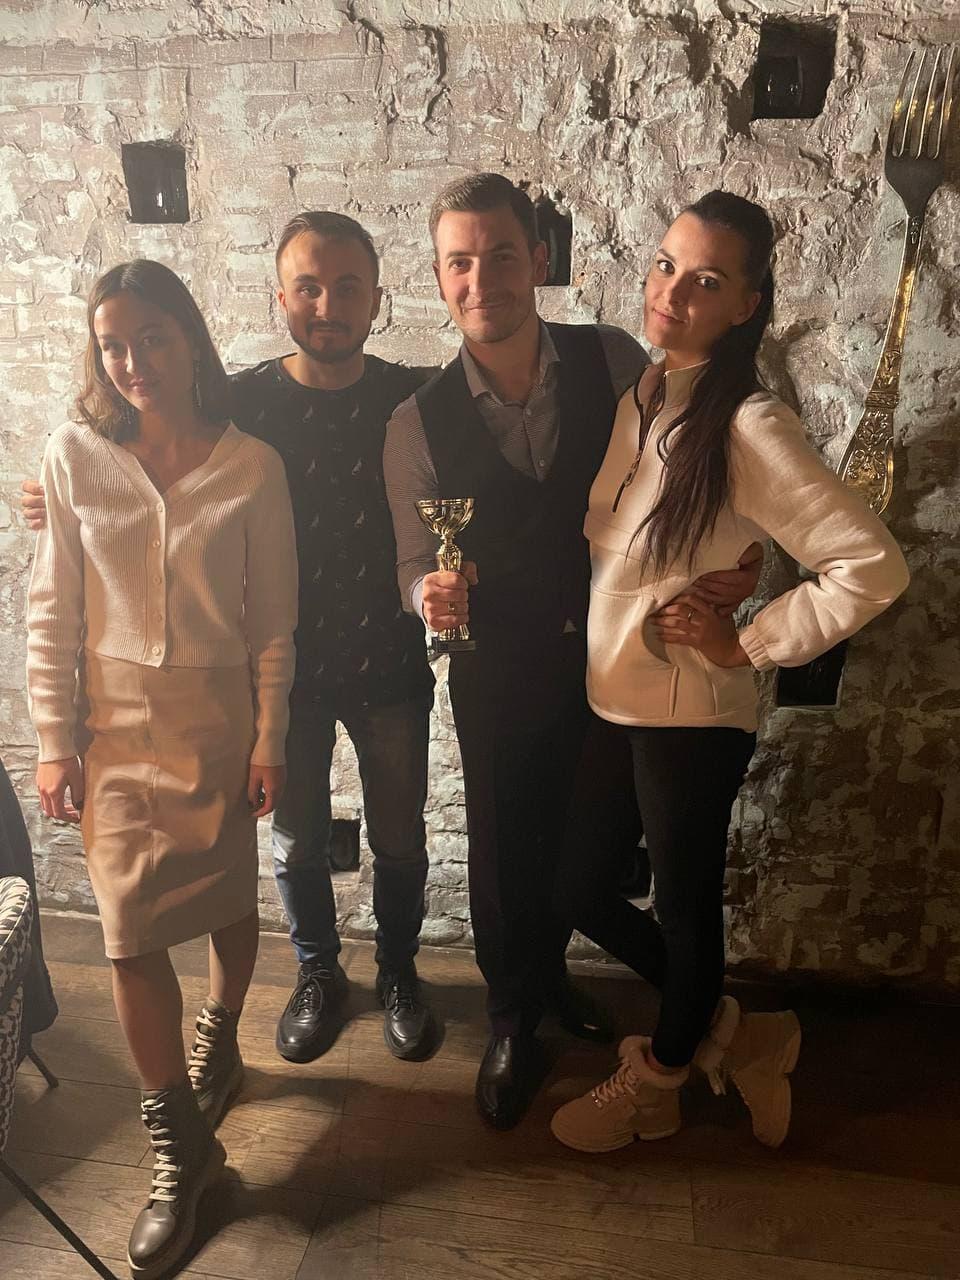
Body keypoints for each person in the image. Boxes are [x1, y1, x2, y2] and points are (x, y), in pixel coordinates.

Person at [383, 173, 763, 1130]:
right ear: (438, 275)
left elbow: (689, 471)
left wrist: (739, 559)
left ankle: (560, 983)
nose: (482, 280)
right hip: (498, 671)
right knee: (503, 851)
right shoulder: (415, 422)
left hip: (614, 662)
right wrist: (427, 594)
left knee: (581, 854)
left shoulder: (615, 359)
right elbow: (414, 561)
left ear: (539, 259)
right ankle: (513, 1017)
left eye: (501, 255)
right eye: (459, 262)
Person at [23, 212, 439, 1065]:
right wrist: (47, 497)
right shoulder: (240, 401)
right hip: (279, 677)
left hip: (390, 662)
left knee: (400, 838)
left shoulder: (414, 397)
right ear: (279, 298)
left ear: (377, 297)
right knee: (295, 843)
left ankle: (400, 970)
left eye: (347, 287)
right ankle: (317, 972)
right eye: (307, 287)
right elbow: (140, 442)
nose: (327, 305)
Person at [549, 191, 910, 1155]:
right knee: (576, 887)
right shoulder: (645, 396)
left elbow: (871, 565)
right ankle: (730, 1031)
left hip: (693, 710)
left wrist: (745, 641)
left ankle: (660, 1080)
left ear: (746, 305)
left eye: (705, 281)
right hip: (615, 696)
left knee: (683, 909)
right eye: (666, 265)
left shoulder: (749, 424)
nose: (672, 292)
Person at [25, 260, 298, 1279]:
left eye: (152, 338)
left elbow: (273, 623)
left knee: (229, 896)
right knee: (127, 932)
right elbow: (51, 604)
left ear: (190, 338)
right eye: (112, 345)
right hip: (112, 726)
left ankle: (220, 1035)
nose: (133, 361)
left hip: (218, 719)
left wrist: (270, 737)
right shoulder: (74, 453)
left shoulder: (253, 465)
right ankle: (183, 1152)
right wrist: (54, 736)